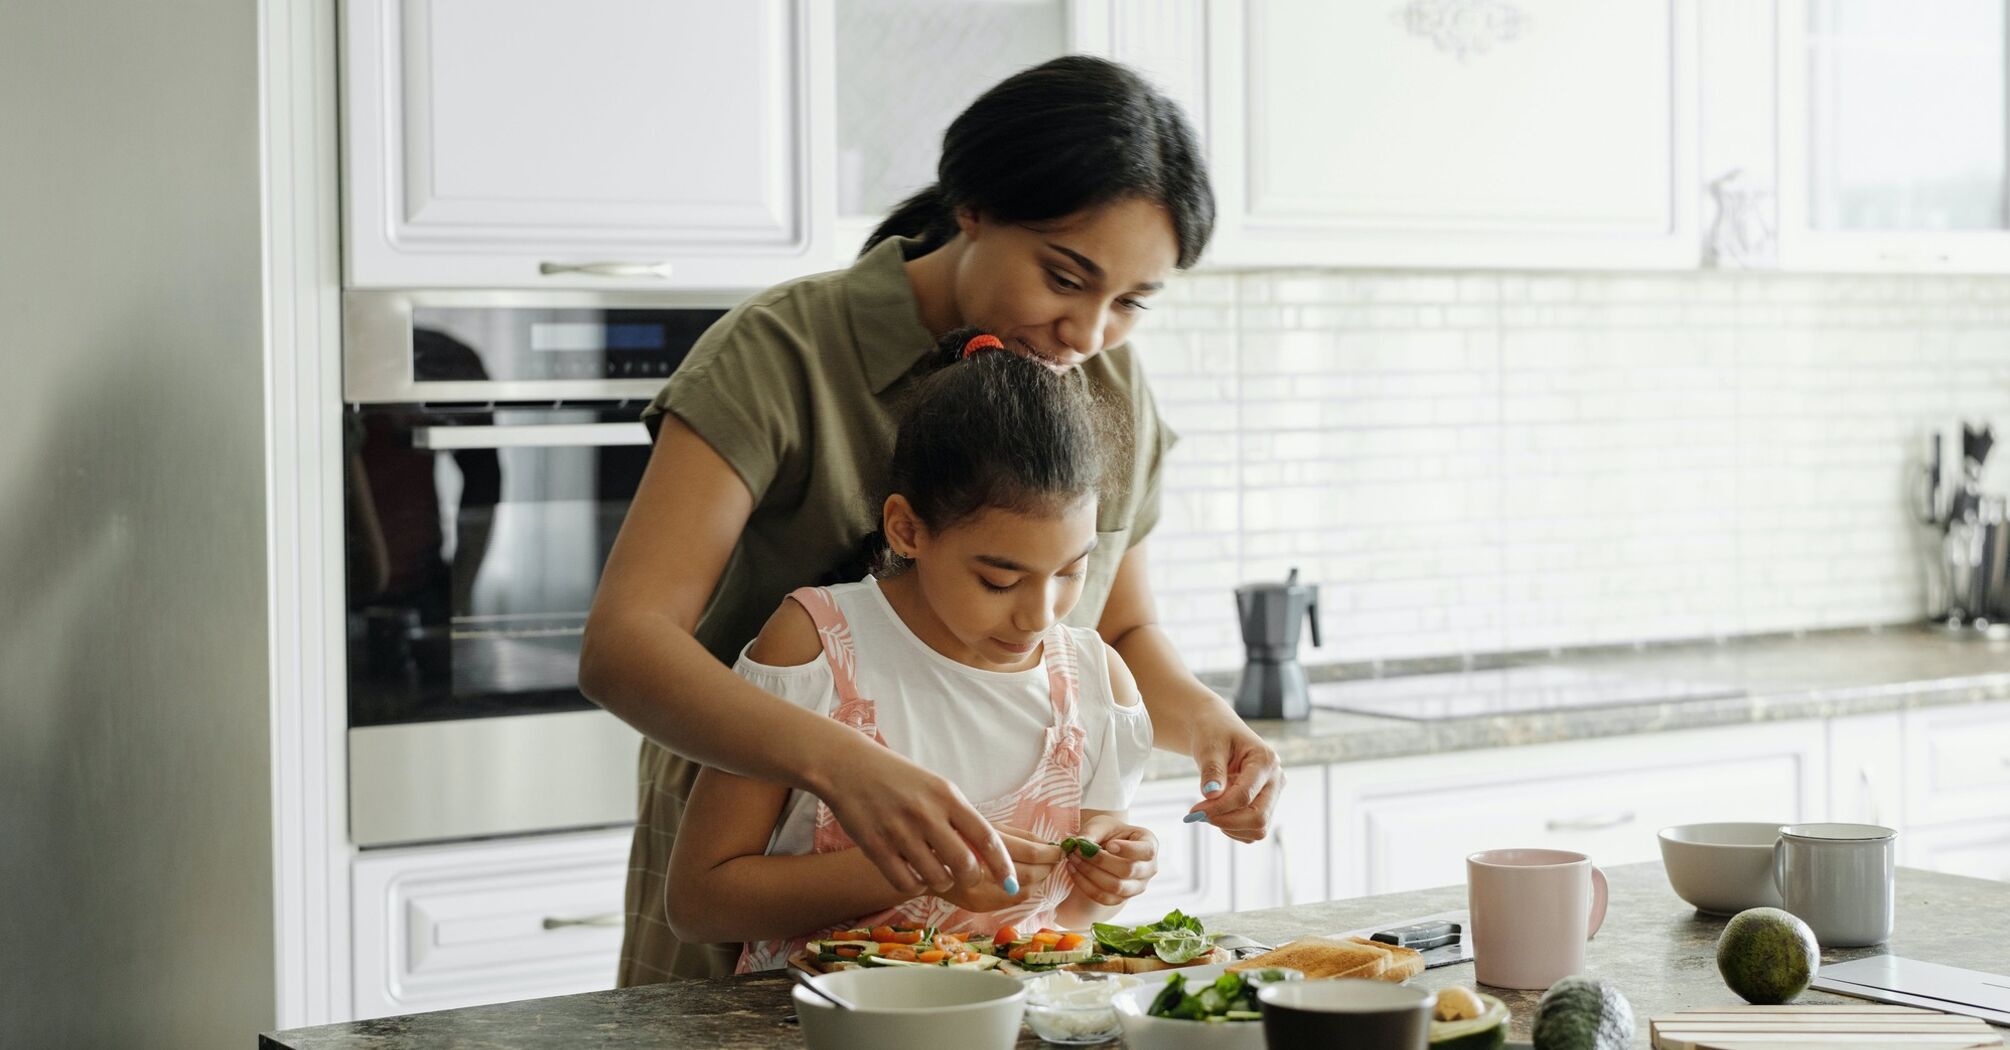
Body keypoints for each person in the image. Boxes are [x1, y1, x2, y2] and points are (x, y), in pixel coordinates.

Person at [579, 55, 1284, 983]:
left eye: (1130, 303)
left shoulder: (1105, 380)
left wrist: (1208, 726)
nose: (1089, 332)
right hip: (756, 867)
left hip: (985, 949)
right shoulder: (781, 351)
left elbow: (1116, 627)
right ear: (974, 208)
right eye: (1065, 277)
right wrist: (845, 767)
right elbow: (625, 645)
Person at [669, 330, 1157, 971]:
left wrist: (1111, 880)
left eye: (1072, 571)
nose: (1040, 615)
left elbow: (1068, 920)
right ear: (907, 528)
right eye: (1000, 580)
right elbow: (699, 903)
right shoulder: (817, 647)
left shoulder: (1096, 684)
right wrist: (913, 871)